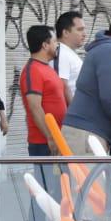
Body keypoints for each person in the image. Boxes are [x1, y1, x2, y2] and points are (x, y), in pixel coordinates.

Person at [60, 13, 111, 157]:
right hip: (85, 136)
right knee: (89, 181)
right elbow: (108, 97)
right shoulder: (110, 51)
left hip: (86, 134)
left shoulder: (106, 49)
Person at [18, 25, 67, 156]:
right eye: (55, 41)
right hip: (44, 143)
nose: (58, 45)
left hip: (58, 139)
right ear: (45, 45)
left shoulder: (47, 68)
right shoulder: (32, 70)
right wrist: (50, 137)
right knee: (47, 177)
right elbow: (35, 108)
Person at [53, 11, 87, 102]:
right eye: (80, 30)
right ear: (66, 33)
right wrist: (74, 114)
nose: (84, 34)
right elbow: (62, 85)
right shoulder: (61, 52)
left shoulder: (67, 52)